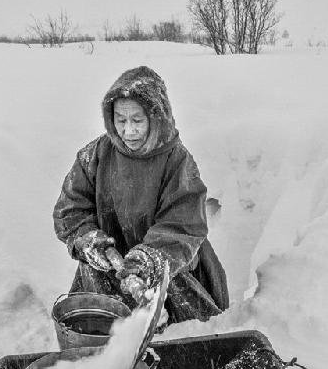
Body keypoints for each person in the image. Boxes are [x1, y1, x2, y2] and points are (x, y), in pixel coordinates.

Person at [53, 66, 228, 324]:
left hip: (168, 272)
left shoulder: (177, 161)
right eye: (120, 120)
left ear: (156, 118)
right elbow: (70, 211)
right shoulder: (95, 155)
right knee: (103, 338)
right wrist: (90, 242)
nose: (128, 131)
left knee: (180, 339)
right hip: (106, 271)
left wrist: (147, 260)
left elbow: (183, 225)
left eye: (137, 120)